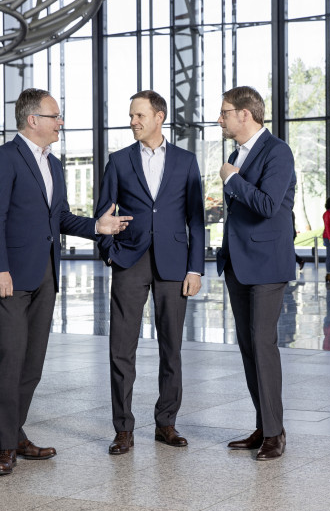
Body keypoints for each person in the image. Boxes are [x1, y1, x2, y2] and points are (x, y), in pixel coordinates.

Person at [0, 88, 131, 475]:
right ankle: (3, 449)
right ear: (33, 120)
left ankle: (15, 434)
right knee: (10, 360)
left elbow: (59, 217)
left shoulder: (55, 165)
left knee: (32, 365)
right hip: (11, 276)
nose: (60, 122)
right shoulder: (1, 158)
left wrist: (98, 226)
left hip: (46, 276)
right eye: (55, 116)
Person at [95, 90, 205, 454]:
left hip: (174, 263)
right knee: (121, 347)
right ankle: (123, 428)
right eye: (130, 116)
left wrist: (195, 268)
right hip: (129, 260)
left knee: (171, 347)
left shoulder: (186, 162)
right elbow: (103, 215)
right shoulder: (119, 161)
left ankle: (166, 423)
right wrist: (110, 254)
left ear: (159, 117)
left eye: (139, 115)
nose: (133, 122)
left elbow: (197, 220)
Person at [216, 86, 295, 461]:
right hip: (238, 263)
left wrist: (232, 180)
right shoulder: (237, 154)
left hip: (266, 265)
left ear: (245, 114)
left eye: (225, 112)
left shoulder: (277, 151)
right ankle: (264, 424)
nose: (221, 119)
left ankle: (275, 434)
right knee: (249, 348)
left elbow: (266, 204)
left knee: (262, 345)